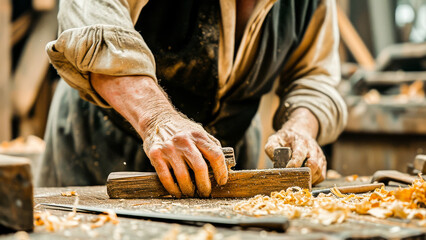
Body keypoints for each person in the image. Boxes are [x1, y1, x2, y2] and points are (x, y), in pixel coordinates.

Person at [37, 0, 347, 198]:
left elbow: (314, 76)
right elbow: (89, 16)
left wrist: (302, 126)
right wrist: (157, 119)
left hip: (228, 153)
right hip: (104, 138)